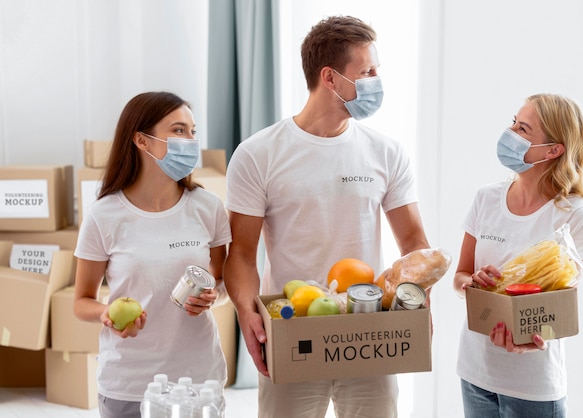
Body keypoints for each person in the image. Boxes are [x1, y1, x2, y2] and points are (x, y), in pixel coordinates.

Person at [223, 15, 430, 418]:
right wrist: (248, 312)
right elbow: (242, 253)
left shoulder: (386, 152)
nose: (376, 82)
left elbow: (414, 244)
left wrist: (418, 301)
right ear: (330, 78)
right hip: (292, 329)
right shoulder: (257, 154)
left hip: (369, 332)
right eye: (367, 71)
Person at [73, 91, 231, 418]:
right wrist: (105, 314)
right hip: (129, 381)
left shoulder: (208, 207)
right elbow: (81, 301)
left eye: (192, 131)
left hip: (199, 378)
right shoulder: (104, 215)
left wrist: (213, 297)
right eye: (177, 130)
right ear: (142, 141)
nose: (189, 141)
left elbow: (222, 280)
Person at [452, 93, 583, 418]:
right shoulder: (486, 198)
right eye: (513, 123)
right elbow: (459, 276)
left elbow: (560, 312)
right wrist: (471, 284)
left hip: (533, 386)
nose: (510, 133)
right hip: (475, 373)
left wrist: (534, 338)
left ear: (553, 150)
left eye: (523, 129)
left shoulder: (575, 214)